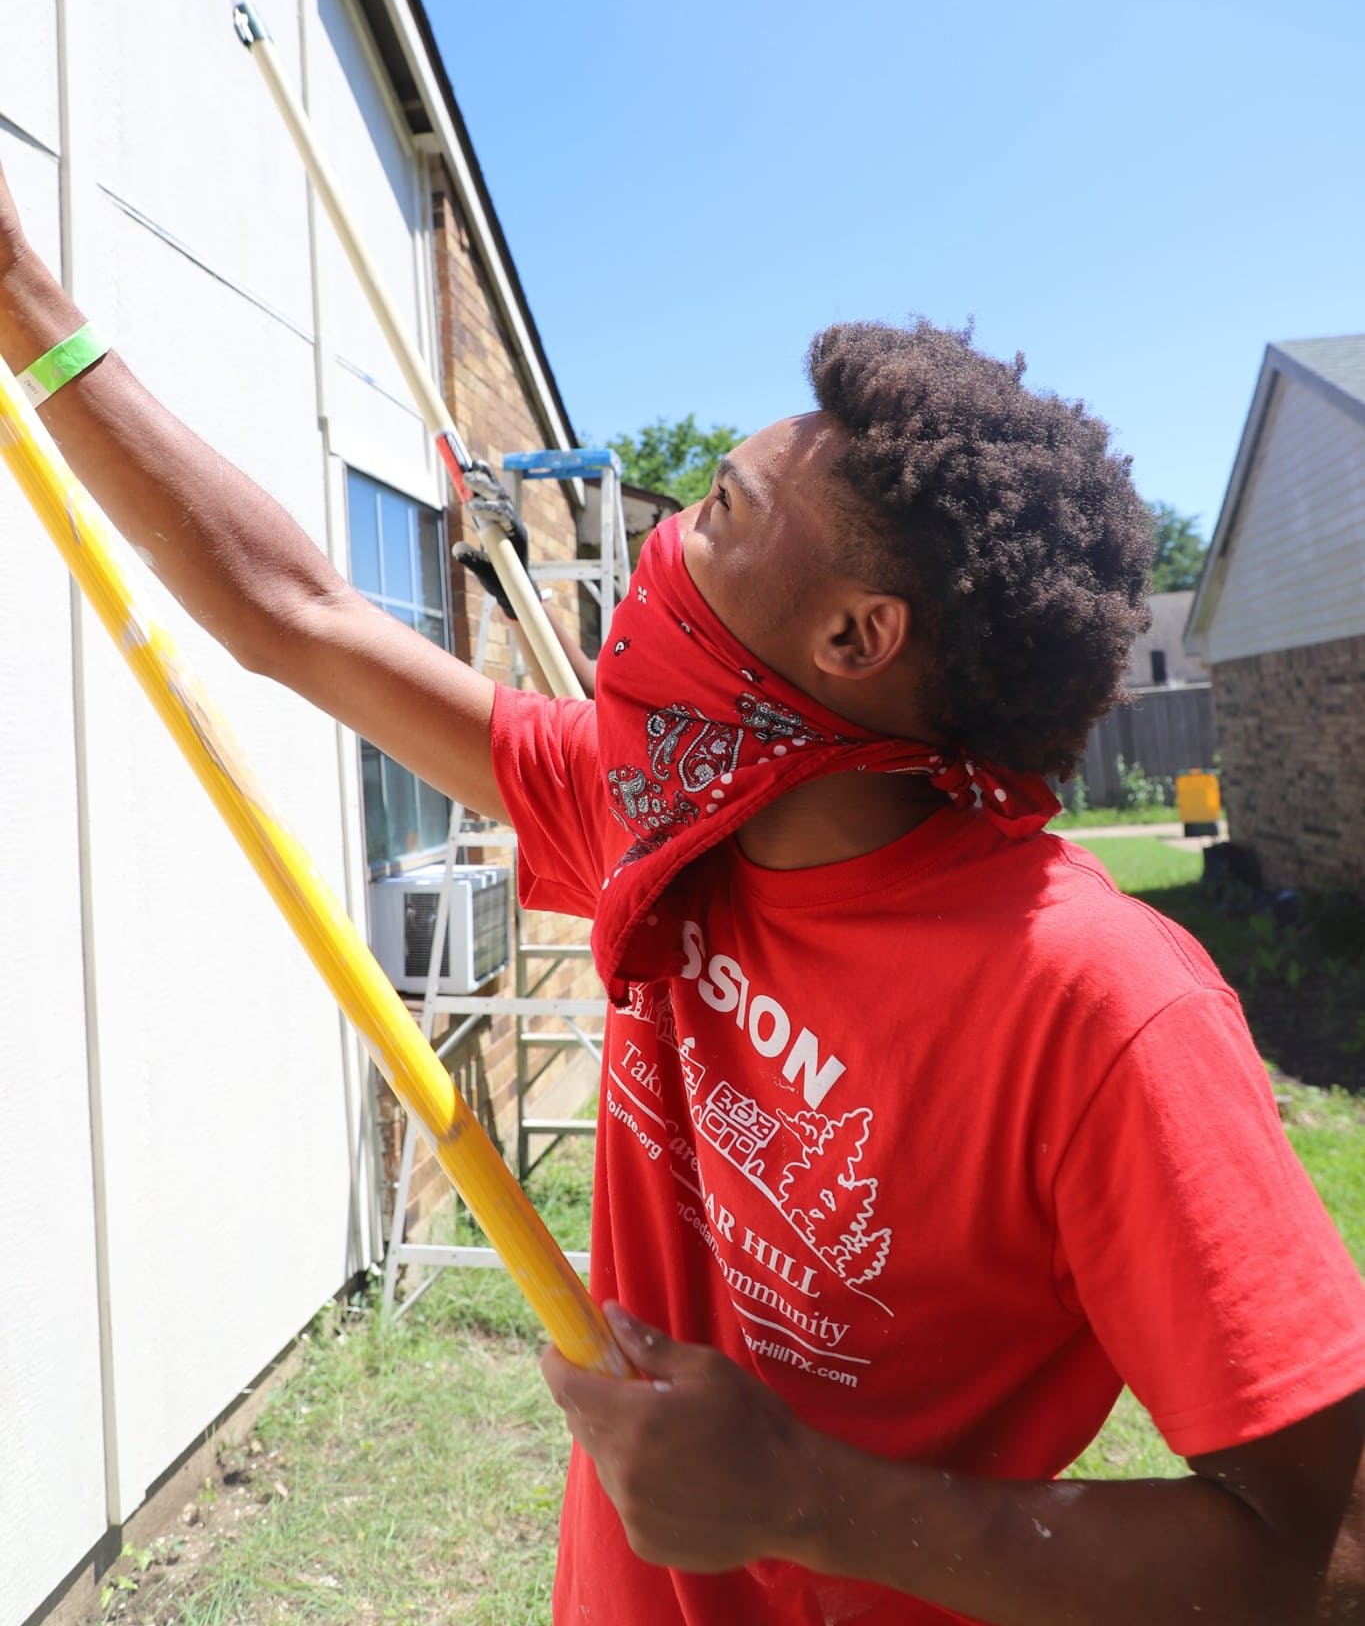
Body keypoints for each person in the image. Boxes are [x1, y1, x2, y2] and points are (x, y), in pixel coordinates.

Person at [2, 154, 1363, 1626]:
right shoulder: (662, 827)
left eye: (720, 507)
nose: (663, 545)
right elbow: (299, 617)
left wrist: (810, 1504)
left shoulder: (1097, 1007)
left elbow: (1328, 1553)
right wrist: (26, 305)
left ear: (856, 635)